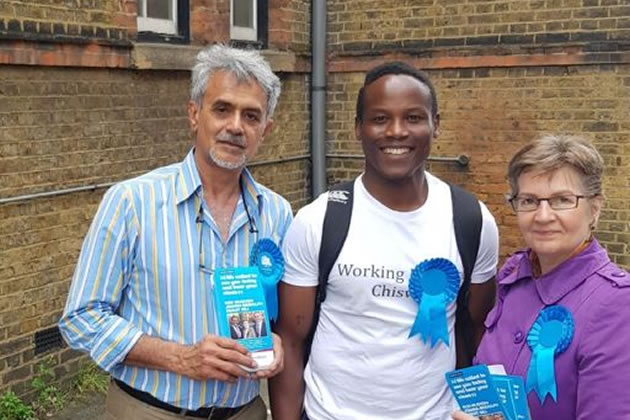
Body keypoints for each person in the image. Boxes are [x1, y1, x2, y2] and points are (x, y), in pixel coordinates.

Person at [59, 44, 293, 420]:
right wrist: (182, 358)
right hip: (149, 412)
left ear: (265, 129)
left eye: (251, 115)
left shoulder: (277, 212)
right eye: (222, 109)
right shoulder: (132, 202)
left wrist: (277, 341)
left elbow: (279, 313)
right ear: (194, 114)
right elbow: (82, 317)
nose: (235, 126)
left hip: (244, 412)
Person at [269, 62, 499, 420]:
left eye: (413, 117)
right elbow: (291, 341)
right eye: (379, 119)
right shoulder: (319, 219)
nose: (396, 131)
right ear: (358, 128)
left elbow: (477, 331)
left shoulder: (471, 220)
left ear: (435, 124)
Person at [468, 135, 630, 419]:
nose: (543, 216)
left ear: (594, 208)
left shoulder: (618, 305)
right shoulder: (513, 278)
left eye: (562, 200)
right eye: (529, 200)